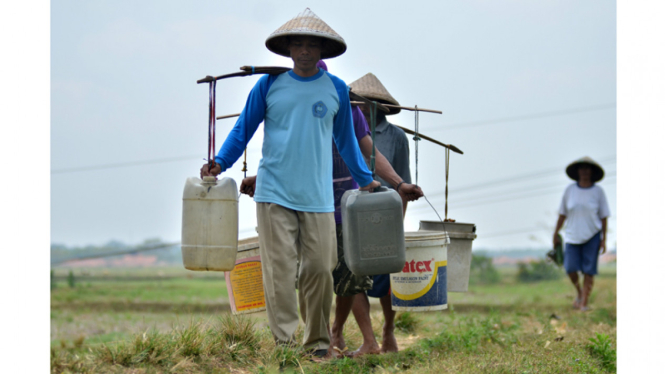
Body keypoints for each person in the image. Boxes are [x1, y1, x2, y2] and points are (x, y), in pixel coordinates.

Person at [200, 8, 380, 358]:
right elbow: (243, 130)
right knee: (280, 272)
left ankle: (317, 343)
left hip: (317, 197)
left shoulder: (336, 89)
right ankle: (285, 346)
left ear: (322, 51)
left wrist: (364, 180)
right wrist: (220, 162)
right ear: (288, 50)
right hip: (274, 193)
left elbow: (345, 140)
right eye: (297, 44)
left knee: (320, 269)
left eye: (312, 45)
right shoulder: (268, 85)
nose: (304, 50)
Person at [239, 63, 424, 358]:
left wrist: (397, 185)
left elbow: (368, 156)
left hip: (350, 212)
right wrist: (257, 178)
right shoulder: (304, 110)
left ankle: (338, 337)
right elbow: (290, 158)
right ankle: (315, 341)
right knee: (306, 273)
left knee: (345, 279)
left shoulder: (357, 118)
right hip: (307, 205)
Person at [335, 72, 415, 357]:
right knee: (354, 274)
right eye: (356, 103)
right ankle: (367, 339)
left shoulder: (396, 138)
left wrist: (397, 228)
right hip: (350, 212)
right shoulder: (342, 128)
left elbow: (401, 183)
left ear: (379, 107)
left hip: (384, 217)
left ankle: (388, 330)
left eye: (367, 105)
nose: (361, 109)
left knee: (386, 281)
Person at [553, 157, 610, 312]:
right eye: (582, 168)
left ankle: (584, 303)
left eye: (587, 168)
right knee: (570, 268)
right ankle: (579, 292)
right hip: (572, 236)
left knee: (588, 271)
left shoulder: (598, 192)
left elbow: (604, 217)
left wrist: (604, 239)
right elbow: (562, 213)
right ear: (577, 172)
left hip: (592, 235)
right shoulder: (570, 190)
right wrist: (555, 233)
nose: (584, 171)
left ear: (591, 172)